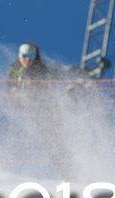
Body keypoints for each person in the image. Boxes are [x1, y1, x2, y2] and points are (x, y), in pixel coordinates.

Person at [5, 42, 76, 179]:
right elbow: (7, 96)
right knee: (52, 147)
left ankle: (72, 173)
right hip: (34, 113)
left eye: (31, 56)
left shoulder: (42, 68)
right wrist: (21, 98)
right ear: (20, 56)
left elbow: (61, 72)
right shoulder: (15, 70)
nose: (27, 59)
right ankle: (69, 172)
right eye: (24, 56)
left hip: (50, 112)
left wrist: (77, 75)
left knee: (55, 144)